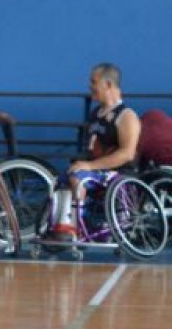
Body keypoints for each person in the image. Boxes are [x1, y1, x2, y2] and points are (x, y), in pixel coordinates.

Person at [49, 63, 141, 239]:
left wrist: (89, 165)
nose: (90, 86)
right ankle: (61, 225)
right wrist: (81, 161)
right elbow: (92, 148)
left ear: (108, 85)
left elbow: (127, 154)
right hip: (98, 171)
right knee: (62, 178)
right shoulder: (95, 113)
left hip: (119, 174)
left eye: (93, 82)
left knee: (79, 178)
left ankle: (75, 228)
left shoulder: (127, 116)